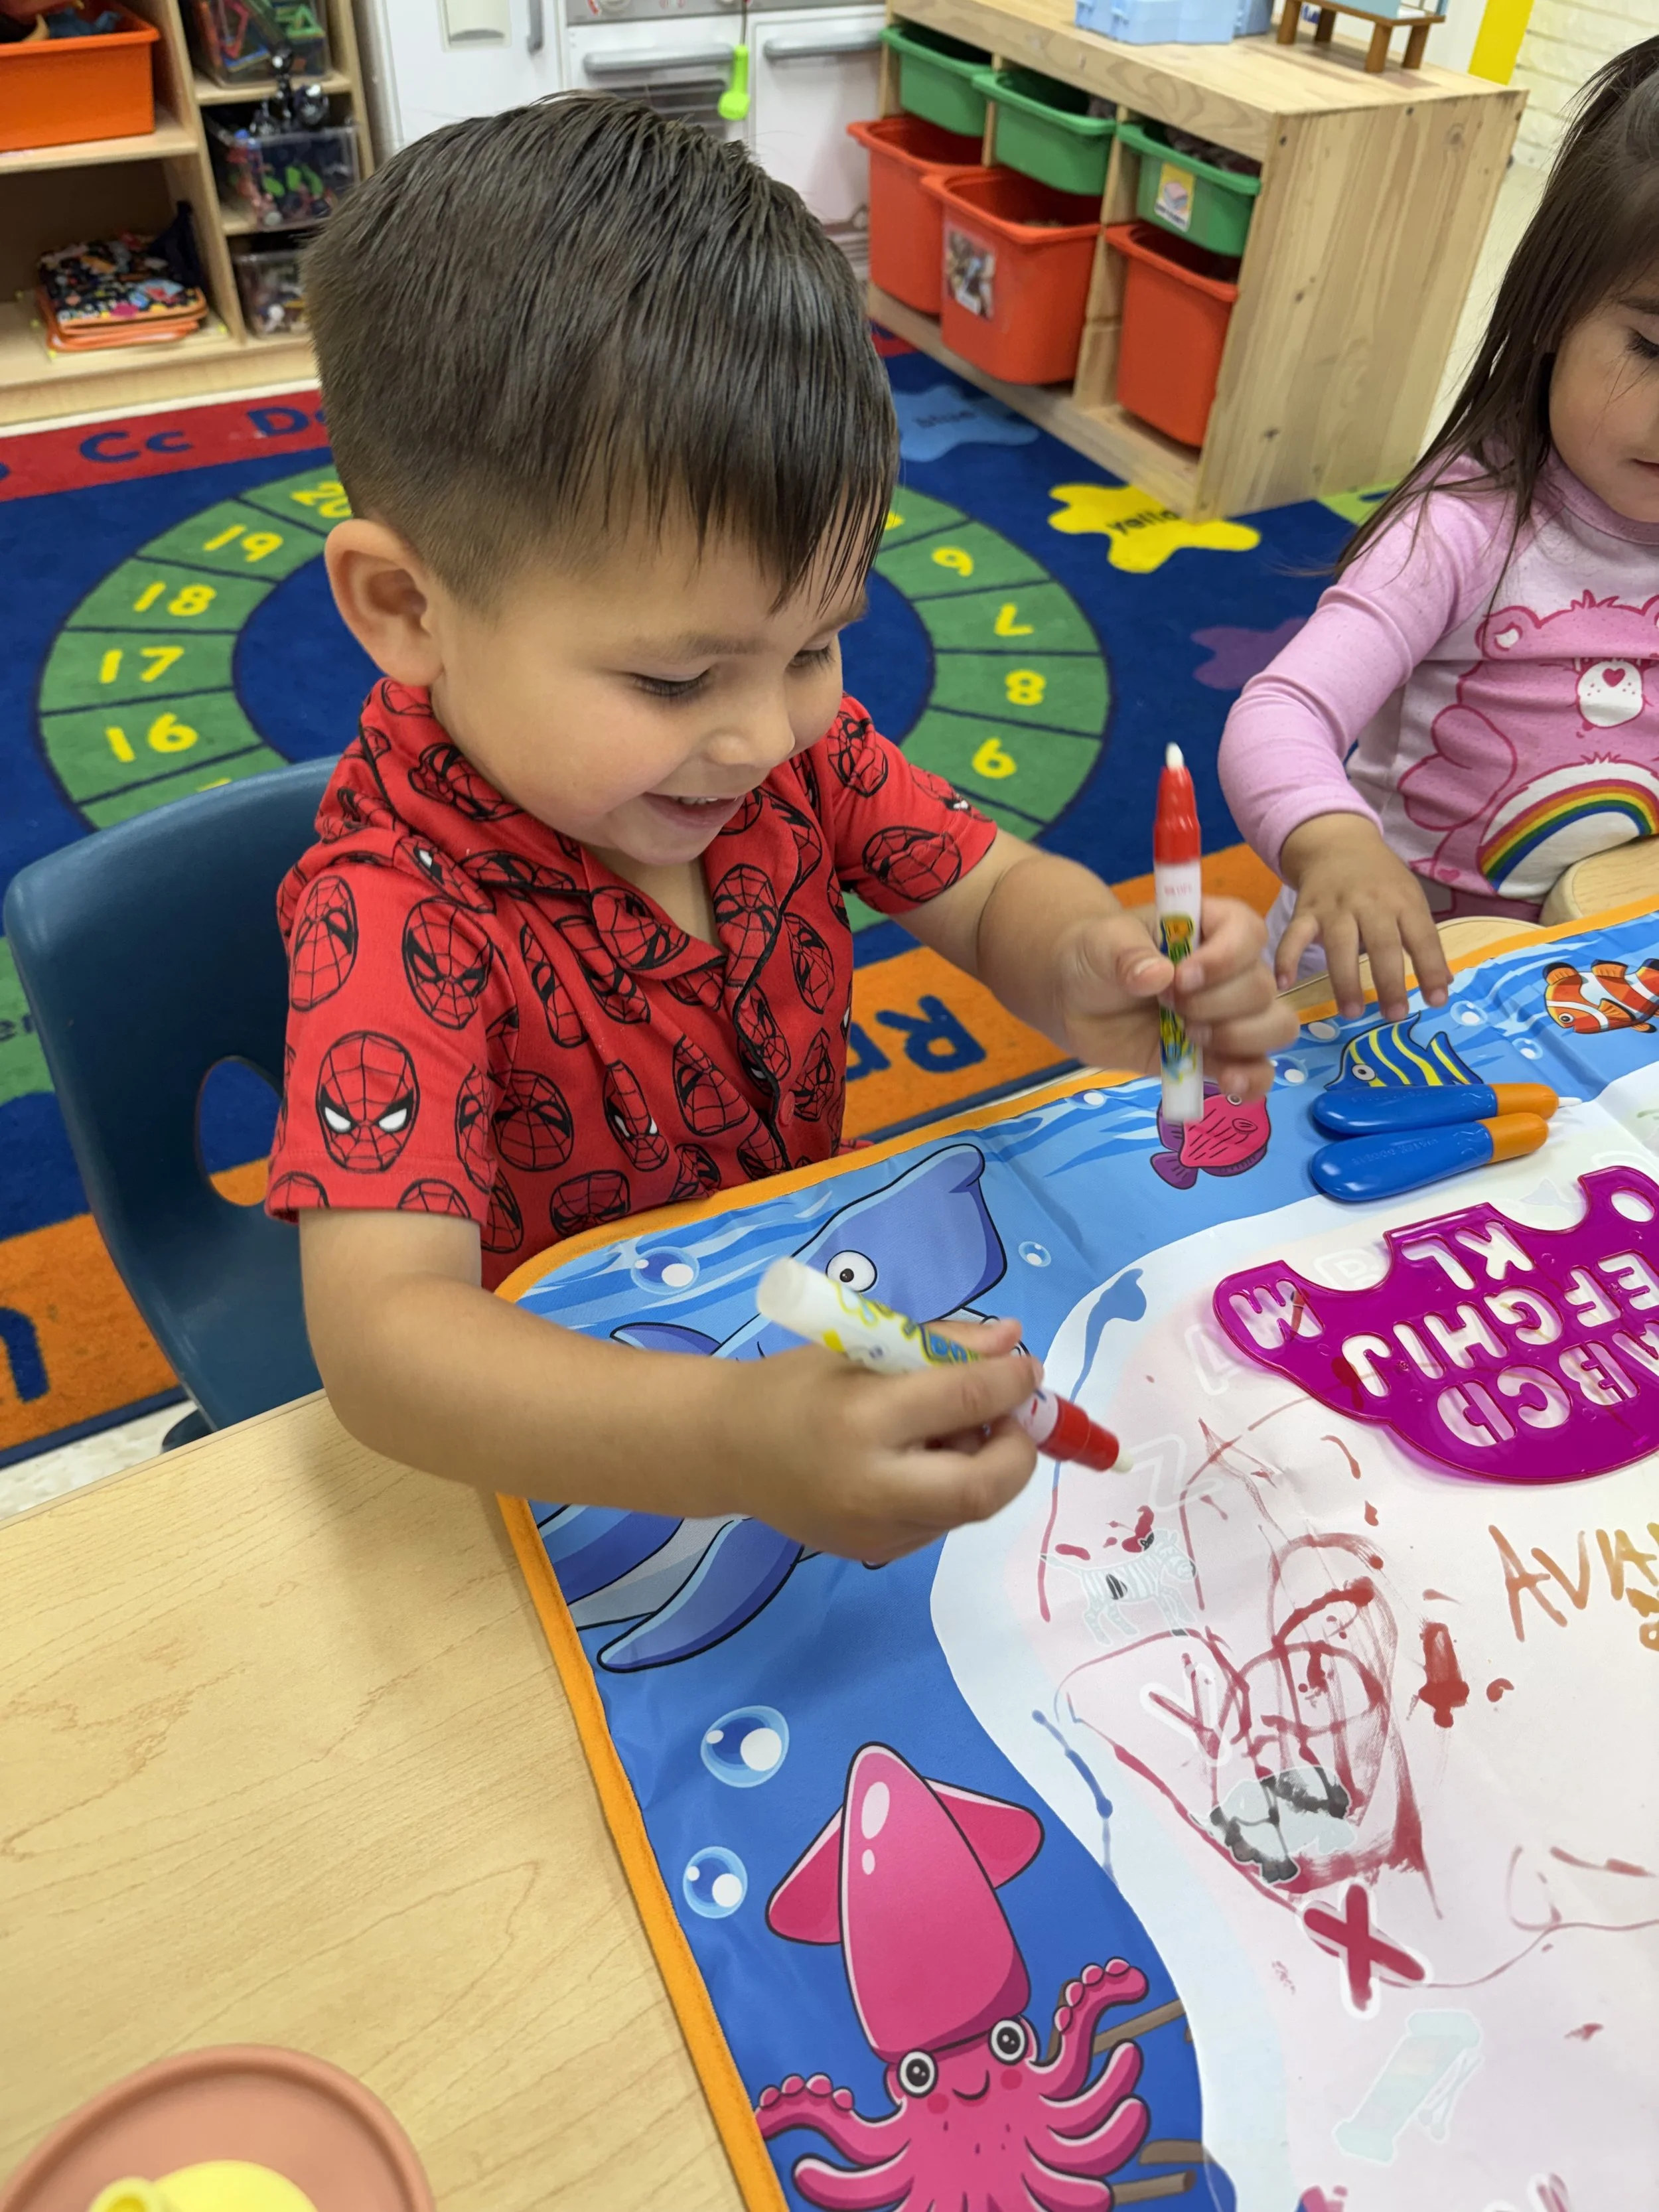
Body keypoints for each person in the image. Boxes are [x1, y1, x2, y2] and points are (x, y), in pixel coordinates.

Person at [267, 96, 1293, 1561]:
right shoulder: (392, 913)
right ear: (406, 608)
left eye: (818, 643)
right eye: (678, 677)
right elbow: (382, 1343)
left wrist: (1091, 964)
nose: (768, 731)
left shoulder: (784, 763)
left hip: (805, 1314)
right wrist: (727, 1442)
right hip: (580, 1449)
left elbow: (990, 893)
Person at [1220, 36, 1659, 1024]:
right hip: (1370, 982)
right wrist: (1332, 842)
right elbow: (1280, 711)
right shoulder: (1460, 530)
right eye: (1654, 347)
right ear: (1553, 306)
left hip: (1575, 981)